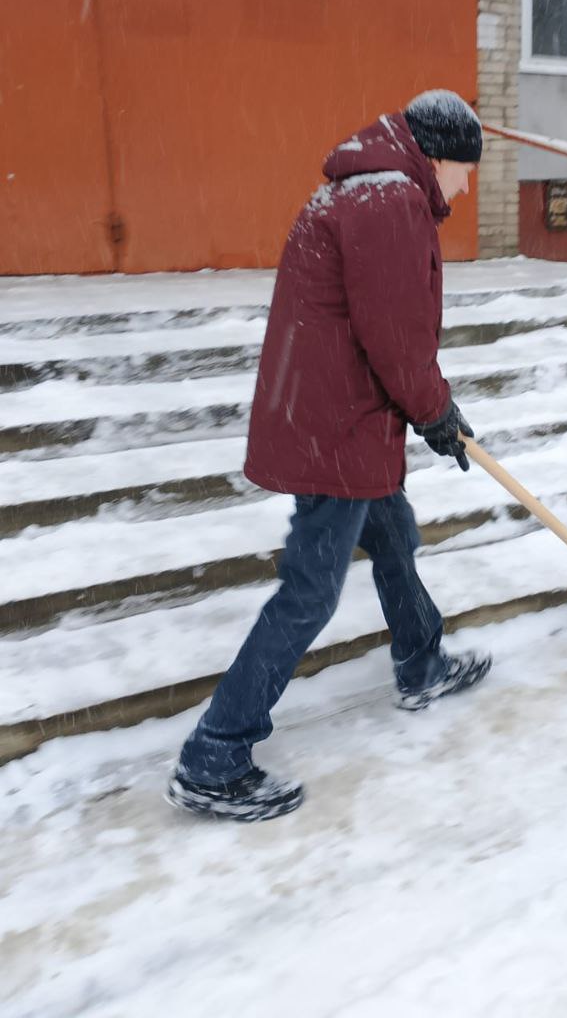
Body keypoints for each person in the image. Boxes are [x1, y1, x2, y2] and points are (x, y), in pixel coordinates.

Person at [167, 91, 490, 822]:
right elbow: (395, 337)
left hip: (337, 416)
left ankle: (421, 662)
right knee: (310, 591)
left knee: (394, 538)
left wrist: (428, 409)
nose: (467, 187)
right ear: (438, 157)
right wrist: (435, 411)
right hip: (338, 429)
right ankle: (214, 756)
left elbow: (381, 331)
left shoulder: (365, 189)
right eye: (466, 170)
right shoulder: (390, 201)